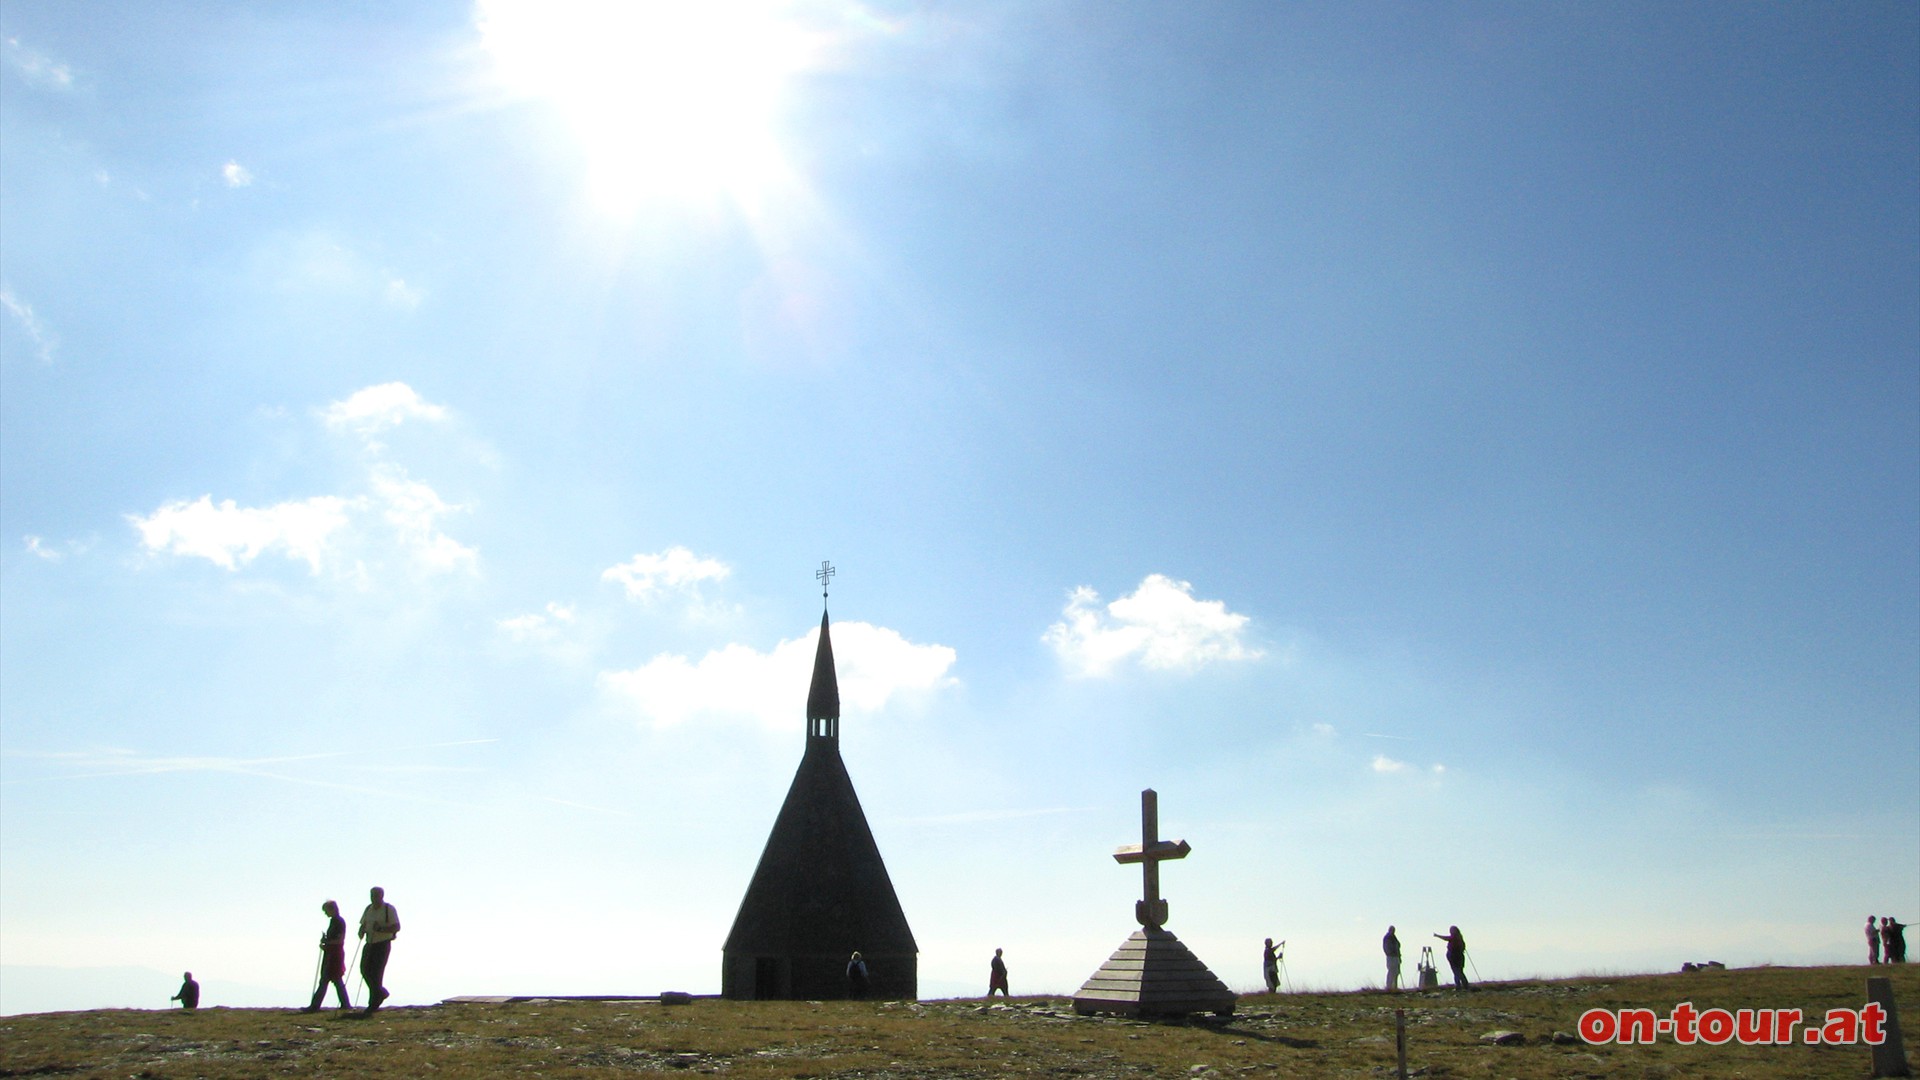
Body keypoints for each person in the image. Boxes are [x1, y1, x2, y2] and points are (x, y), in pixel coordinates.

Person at [358, 886, 401, 1014]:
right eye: (372, 895)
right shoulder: (368, 909)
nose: (373, 898)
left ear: (382, 896)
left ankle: (373, 1003)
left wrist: (381, 929)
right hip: (369, 943)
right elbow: (363, 924)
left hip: (382, 944)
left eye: (376, 895)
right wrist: (361, 931)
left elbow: (397, 927)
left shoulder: (389, 909)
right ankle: (380, 993)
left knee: (376, 973)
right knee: (364, 970)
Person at [305, 900, 351, 1012]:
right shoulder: (334, 921)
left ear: (332, 909)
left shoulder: (339, 922)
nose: (326, 913)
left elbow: (340, 940)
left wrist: (327, 943)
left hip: (334, 954)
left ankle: (315, 1005)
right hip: (331, 953)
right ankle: (345, 1004)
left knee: (330, 979)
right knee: (334, 980)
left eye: (326, 911)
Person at [1383, 926, 1402, 992]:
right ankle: (1389, 987)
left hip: (1395, 957)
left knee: (1396, 972)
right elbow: (1388, 948)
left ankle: (1394, 986)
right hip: (1391, 957)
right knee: (1391, 971)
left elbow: (1397, 946)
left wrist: (1399, 956)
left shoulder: (1393, 937)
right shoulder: (1388, 937)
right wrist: (1392, 953)